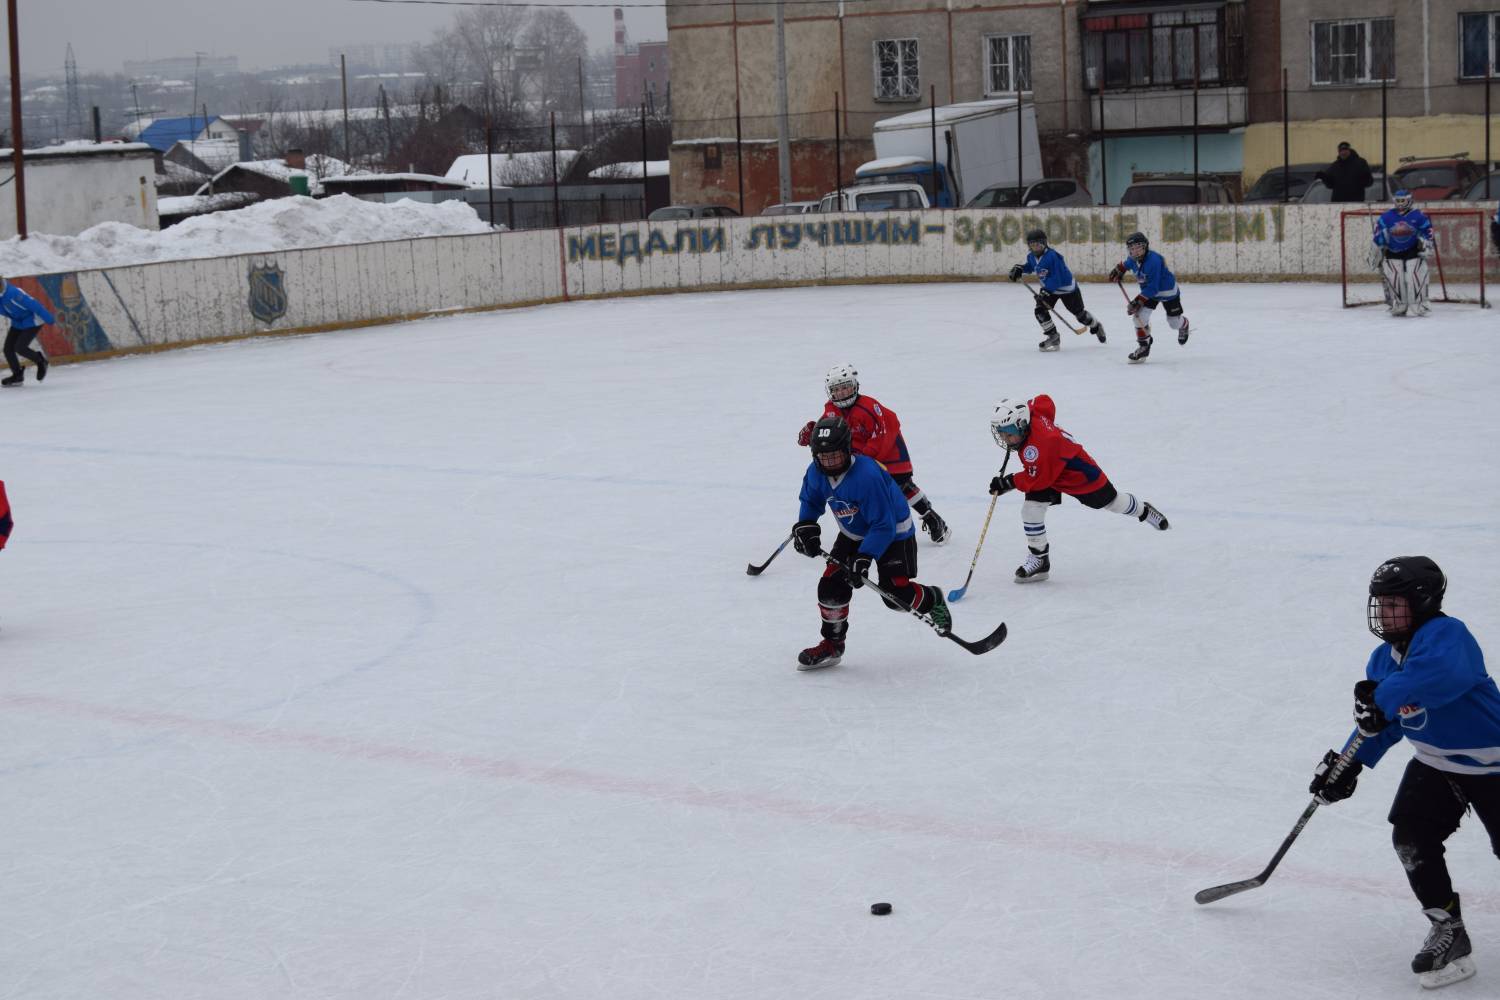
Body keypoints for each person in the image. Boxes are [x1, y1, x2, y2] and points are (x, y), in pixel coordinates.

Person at [1307, 557, 1497, 989]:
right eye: (1379, 603)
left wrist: (1382, 699)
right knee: (1411, 836)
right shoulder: (1382, 660)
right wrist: (1348, 762)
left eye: (1393, 603)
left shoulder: (1449, 636)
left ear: (1423, 601)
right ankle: (1449, 929)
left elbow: (1437, 677)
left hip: (1495, 765)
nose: (1383, 613)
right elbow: (1384, 722)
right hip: (1436, 763)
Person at [791, 415, 951, 670]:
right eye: (823, 456)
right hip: (853, 532)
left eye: (835, 455)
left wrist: (864, 558)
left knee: (895, 596)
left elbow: (883, 525)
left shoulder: (866, 475)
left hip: (894, 532)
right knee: (830, 588)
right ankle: (832, 645)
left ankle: (933, 598)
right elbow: (810, 501)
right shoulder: (815, 473)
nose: (829, 461)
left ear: (847, 449)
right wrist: (807, 526)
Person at [986, 395, 1168, 583]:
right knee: (1031, 510)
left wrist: (1009, 482)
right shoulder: (1031, 414)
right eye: (1002, 434)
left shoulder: (1042, 445)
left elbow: (1037, 479)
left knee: (1113, 502)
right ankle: (1040, 560)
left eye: (1009, 434)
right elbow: (1043, 401)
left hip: (1078, 475)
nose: (1005, 440)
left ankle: (1144, 510)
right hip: (1048, 469)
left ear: (1022, 424)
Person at [797, 364, 950, 544]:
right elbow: (828, 433)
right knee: (865, 487)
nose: (841, 393)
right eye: (836, 389)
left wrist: (862, 460)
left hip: (889, 449)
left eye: (845, 386)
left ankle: (932, 517)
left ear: (855, 386)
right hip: (859, 454)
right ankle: (872, 524)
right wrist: (812, 434)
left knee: (901, 484)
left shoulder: (868, 407)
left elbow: (884, 434)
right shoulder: (831, 410)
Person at [1007, 228, 1106, 352]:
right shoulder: (1031, 256)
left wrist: (1045, 291)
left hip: (1067, 289)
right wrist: (1021, 268)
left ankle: (1096, 326)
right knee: (1040, 311)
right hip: (1049, 289)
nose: (1035, 248)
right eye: (1032, 245)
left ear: (1044, 243)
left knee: (1080, 316)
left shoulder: (1053, 256)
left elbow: (1057, 278)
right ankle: (1053, 337)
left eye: (1038, 245)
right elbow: (1032, 266)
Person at [1107, 232, 1189, 364]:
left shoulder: (1154, 261)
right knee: (1139, 318)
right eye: (1132, 248)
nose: (1135, 251)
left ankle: (1184, 324)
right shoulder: (1133, 259)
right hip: (1149, 292)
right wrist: (1119, 269)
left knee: (1173, 323)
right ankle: (1144, 346)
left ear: (1145, 247)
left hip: (1166, 291)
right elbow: (1126, 263)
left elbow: (1153, 288)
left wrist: (1138, 301)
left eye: (1138, 247)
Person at [1373, 190, 1435, 317]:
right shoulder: (1386, 217)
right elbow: (1377, 234)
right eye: (1398, 201)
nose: (1400, 204)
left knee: (1415, 275)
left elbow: (1428, 232)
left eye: (1403, 201)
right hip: (1392, 251)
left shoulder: (1418, 216)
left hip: (1413, 250)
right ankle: (1399, 304)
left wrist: (1426, 245)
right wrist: (1379, 243)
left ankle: (1420, 303)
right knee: (1395, 277)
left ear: (1410, 200)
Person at [0, 276, 55, 387]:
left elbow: (34, 304)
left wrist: (49, 319)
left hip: (33, 320)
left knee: (19, 347)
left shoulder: (13, 293)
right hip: (18, 322)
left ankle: (40, 361)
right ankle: (17, 376)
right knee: (8, 349)